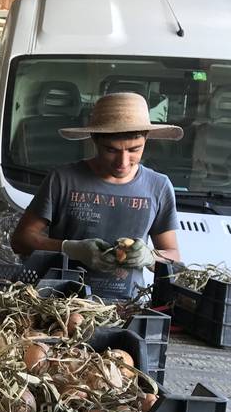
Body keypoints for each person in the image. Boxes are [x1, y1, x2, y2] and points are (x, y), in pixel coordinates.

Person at [11, 92, 182, 301]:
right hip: (62, 302)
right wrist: (70, 248)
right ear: (94, 139)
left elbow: (173, 256)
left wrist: (150, 257)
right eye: (111, 150)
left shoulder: (158, 186)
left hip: (126, 306)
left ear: (146, 138)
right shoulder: (63, 179)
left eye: (134, 150)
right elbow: (20, 240)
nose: (123, 162)